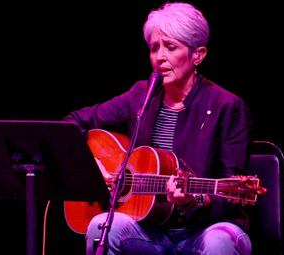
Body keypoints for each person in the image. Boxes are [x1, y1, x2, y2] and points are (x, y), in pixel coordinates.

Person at [63, 2, 252, 255]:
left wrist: (194, 199)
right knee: (101, 225)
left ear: (198, 55)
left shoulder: (227, 106)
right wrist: (90, 166)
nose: (159, 57)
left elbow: (231, 195)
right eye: (154, 48)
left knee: (220, 241)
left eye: (171, 47)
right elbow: (72, 124)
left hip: (205, 229)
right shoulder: (141, 96)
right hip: (150, 229)